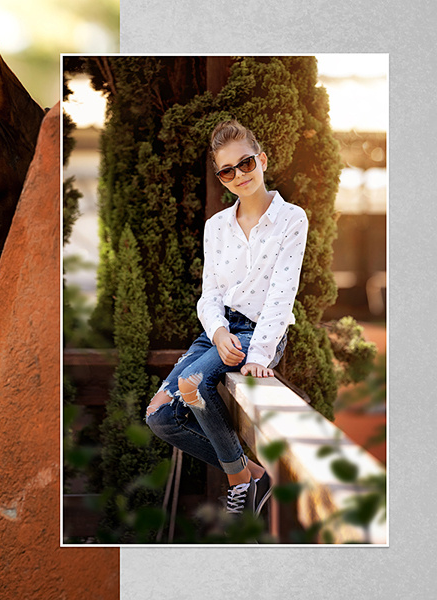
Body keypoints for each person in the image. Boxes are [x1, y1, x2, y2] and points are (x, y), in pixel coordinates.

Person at [144, 119, 308, 519]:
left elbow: (280, 295)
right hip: (218, 331)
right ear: (221, 177)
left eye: (246, 163)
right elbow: (210, 295)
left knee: (193, 384)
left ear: (262, 160)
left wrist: (261, 354)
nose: (239, 175)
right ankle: (249, 474)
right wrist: (217, 332)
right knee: (160, 416)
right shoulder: (215, 227)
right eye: (227, 171)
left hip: (258, 331)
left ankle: (241, 482)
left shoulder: (292, 220)